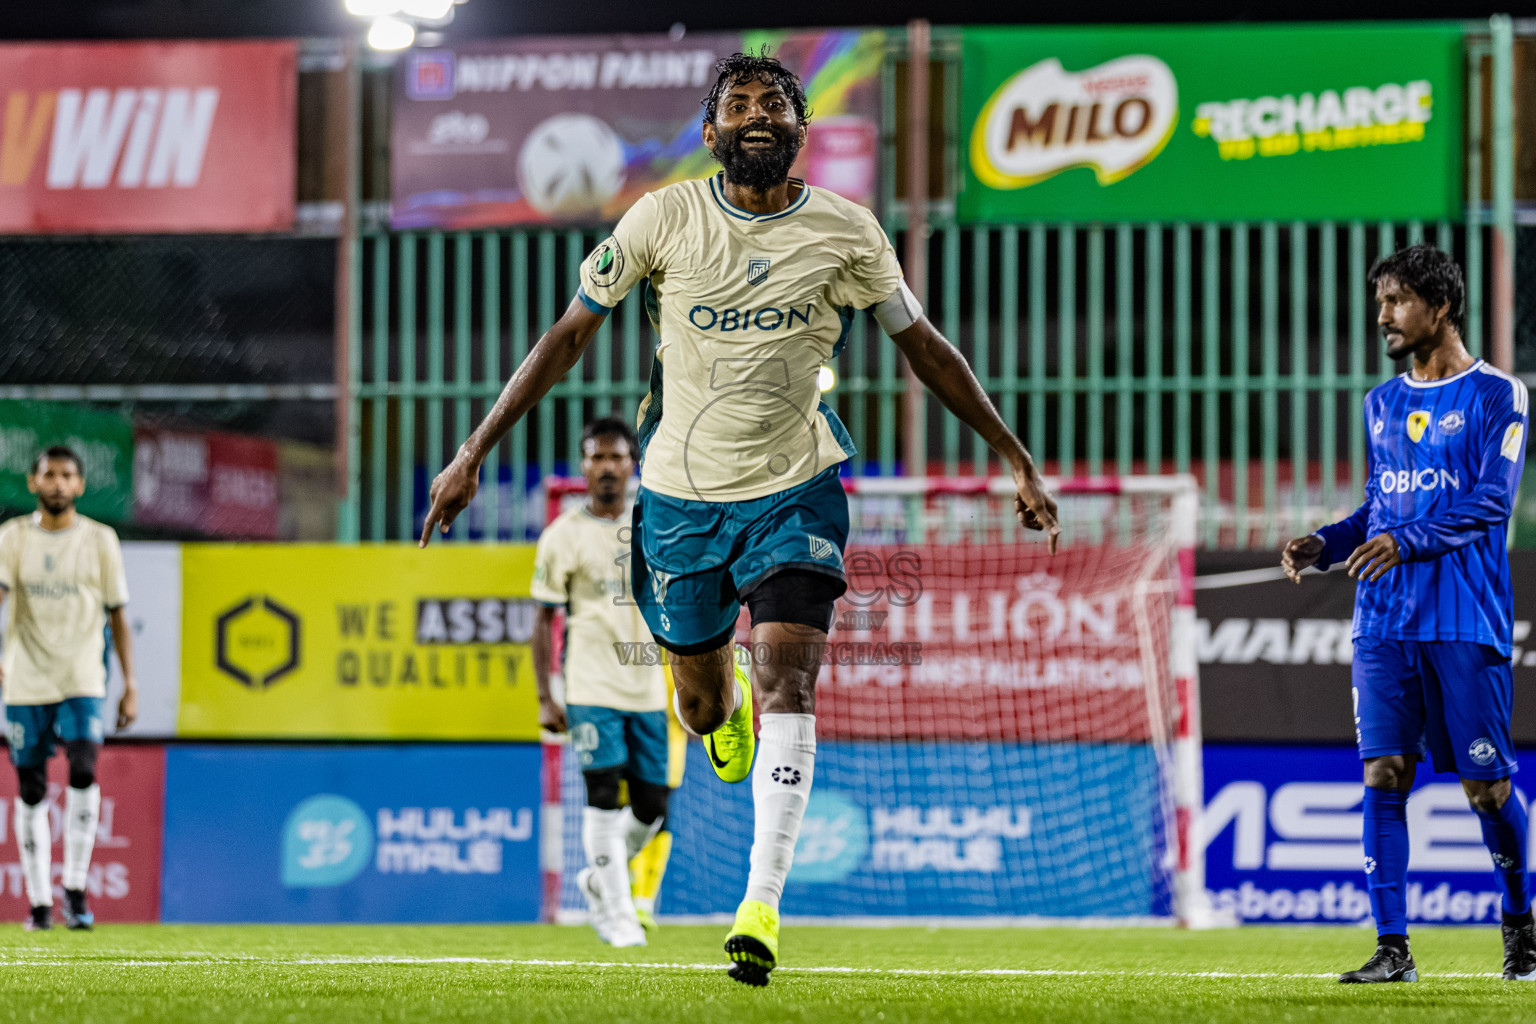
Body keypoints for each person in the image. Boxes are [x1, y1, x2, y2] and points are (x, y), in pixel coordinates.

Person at [422, 51, 1058, 985]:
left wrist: (1014, 455)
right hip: (680, 501)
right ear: (711, 132)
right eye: (739, 103)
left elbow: (924, 346)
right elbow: (568, 335)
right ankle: (726, 711)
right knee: (704, 707)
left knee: (791, 683)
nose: (757, 112)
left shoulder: (848, 230)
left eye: (775, 102)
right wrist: (473, 450)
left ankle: (759, 906)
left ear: (801, 128)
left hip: (796, 488)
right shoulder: (663, 217)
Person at [1281, 245, 1531, 983]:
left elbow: (1492, 502)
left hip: (1464, 619)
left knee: (1487, 789)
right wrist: (1327, 543)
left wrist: (1405, 539)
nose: (1383, 316)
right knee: (1384, 773)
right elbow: (1380, 507)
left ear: (1440, 305)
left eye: (1396, 301)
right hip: (1384, 621)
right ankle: (1393, 949)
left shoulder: (1499, 395)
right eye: (1381, 302)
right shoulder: (1381, 403)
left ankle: (1522, 926)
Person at [531, 418, 672, 948]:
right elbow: (542, 620)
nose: (607, 467)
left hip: (647, 686)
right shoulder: (562, 535)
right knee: (602, 798)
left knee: (652, 808)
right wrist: (545, 696)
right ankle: (618, 916)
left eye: (616, 457)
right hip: (589, 686)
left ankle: (598, 876)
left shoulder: (655, 526)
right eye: (597, 457)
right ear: (583, 465)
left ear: (633, 464)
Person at [0, 446, 137, 931]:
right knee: (31, 786)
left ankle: (75, 891)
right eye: (49, 474)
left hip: (82, 676)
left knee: (83, 768)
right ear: (33, 481)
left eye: (66, 476)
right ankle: (39, 903)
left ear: (79, 485)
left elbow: (118, 614)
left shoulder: (100, 539)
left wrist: (131, 683)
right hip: (26, 677)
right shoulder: (12, 537)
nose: (57, 483)